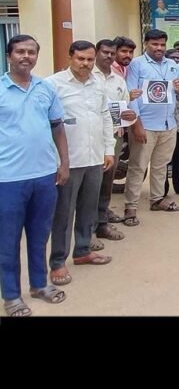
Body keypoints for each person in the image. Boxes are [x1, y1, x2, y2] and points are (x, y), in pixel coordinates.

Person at [0, 35, 69, 317]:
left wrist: (64, 164)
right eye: (20, 52)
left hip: (44, 176)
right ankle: (12, 296)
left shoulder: (45, 88)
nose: (26, 56)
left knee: (40, 236)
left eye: (31, 52)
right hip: (8, 179)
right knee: (8, 241)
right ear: (9, 56)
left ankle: (39, 285)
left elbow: (57, 127)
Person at [47, 40, 115, 286]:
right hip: (68, 160)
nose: (86, 64)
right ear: (70, 58)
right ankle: (58, 262)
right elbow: (48, 123)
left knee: (88, 207)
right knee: (63, 213)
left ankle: (83, 250)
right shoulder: (53, 84)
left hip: (95, 157)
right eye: (81, 59)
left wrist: (109, 150)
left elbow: (105, 116)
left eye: (89, 59)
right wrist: (57, 160)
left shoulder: (98, 83)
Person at [123, 29, 179, 226]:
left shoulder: (172, 65)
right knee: (138, 166)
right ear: (146, 44)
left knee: (161, 165)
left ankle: (157, 199)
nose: (159, 48)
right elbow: (130, 95)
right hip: (146, 125)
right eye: (154, 44)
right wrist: (137, 124)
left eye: (162, 45)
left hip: (169, 124)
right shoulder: (137, 64)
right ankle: (131, 207)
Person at [92, 39, 137, 248]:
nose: (109, 56)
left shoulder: (118, 80)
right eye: (105, 52)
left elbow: (125, 108)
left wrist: (129, 117)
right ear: (97, 53)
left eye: (112, 53)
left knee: (106, 181)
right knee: (90, 183)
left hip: (113, 137)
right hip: (90, 138)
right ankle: (88, 229)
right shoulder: (87, 77)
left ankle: (102, 222)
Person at [163, 48, 179, 196]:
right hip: (163, 122)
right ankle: (163, 187)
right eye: (173, 58)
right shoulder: (162, 74)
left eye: (178, 58)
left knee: (178, 156)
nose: (176, 60)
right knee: (163, 159)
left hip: (178, 123)